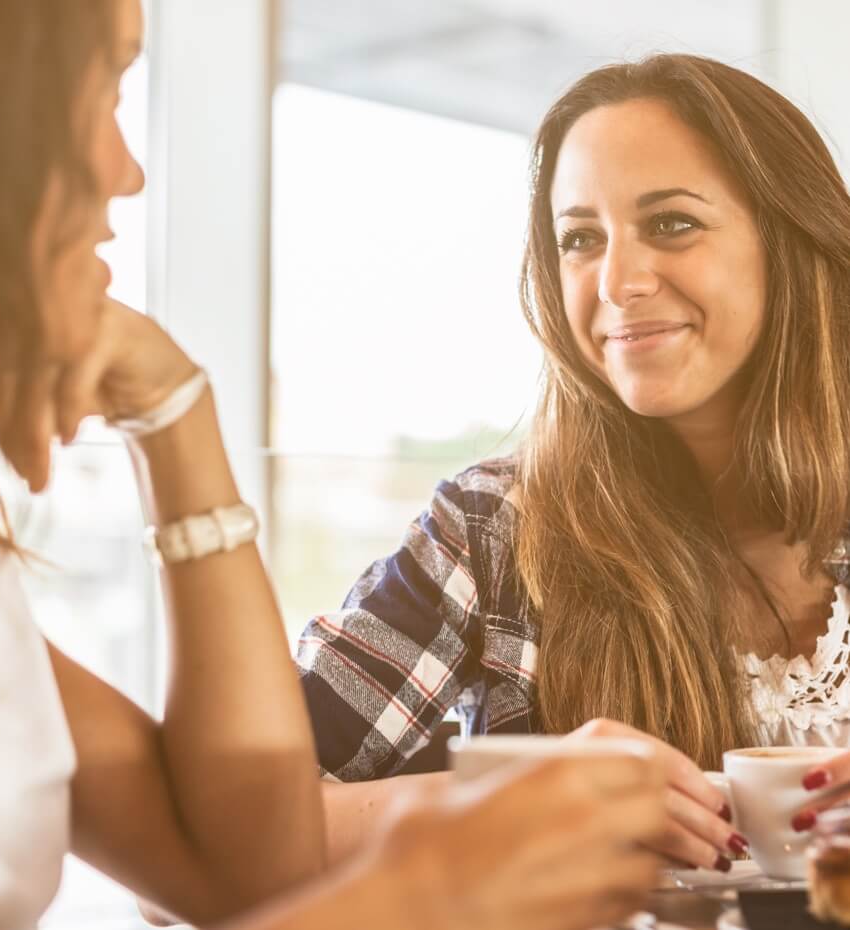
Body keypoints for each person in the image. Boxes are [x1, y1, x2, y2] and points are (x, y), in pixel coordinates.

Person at [0, 1, 668, 928]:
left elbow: (244, 870)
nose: (128, 168)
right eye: (105, 89)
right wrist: (426, 888)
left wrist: (177, 415)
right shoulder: (491, 523)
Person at [297, 51, 850, 875]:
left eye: (671, 223)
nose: (616, 281)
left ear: (792, 239)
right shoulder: (490, 531)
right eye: (581, 240)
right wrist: (502, 801)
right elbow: (206, 848)